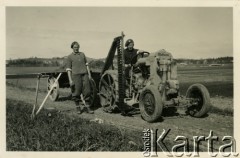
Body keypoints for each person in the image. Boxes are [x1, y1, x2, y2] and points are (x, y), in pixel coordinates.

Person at [66, 41, 94, 114]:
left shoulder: (82, 54)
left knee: (87, 91)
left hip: (84, 75)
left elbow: (87, 65)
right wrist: (70, 80)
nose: (76, 48)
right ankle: (78, 107)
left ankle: (88, 107)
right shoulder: (69, 57)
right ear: (72, 48)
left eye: (77, 47)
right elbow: (68, 70)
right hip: (75, 76)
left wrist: (89, 75)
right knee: (76, 92)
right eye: (75, 47)